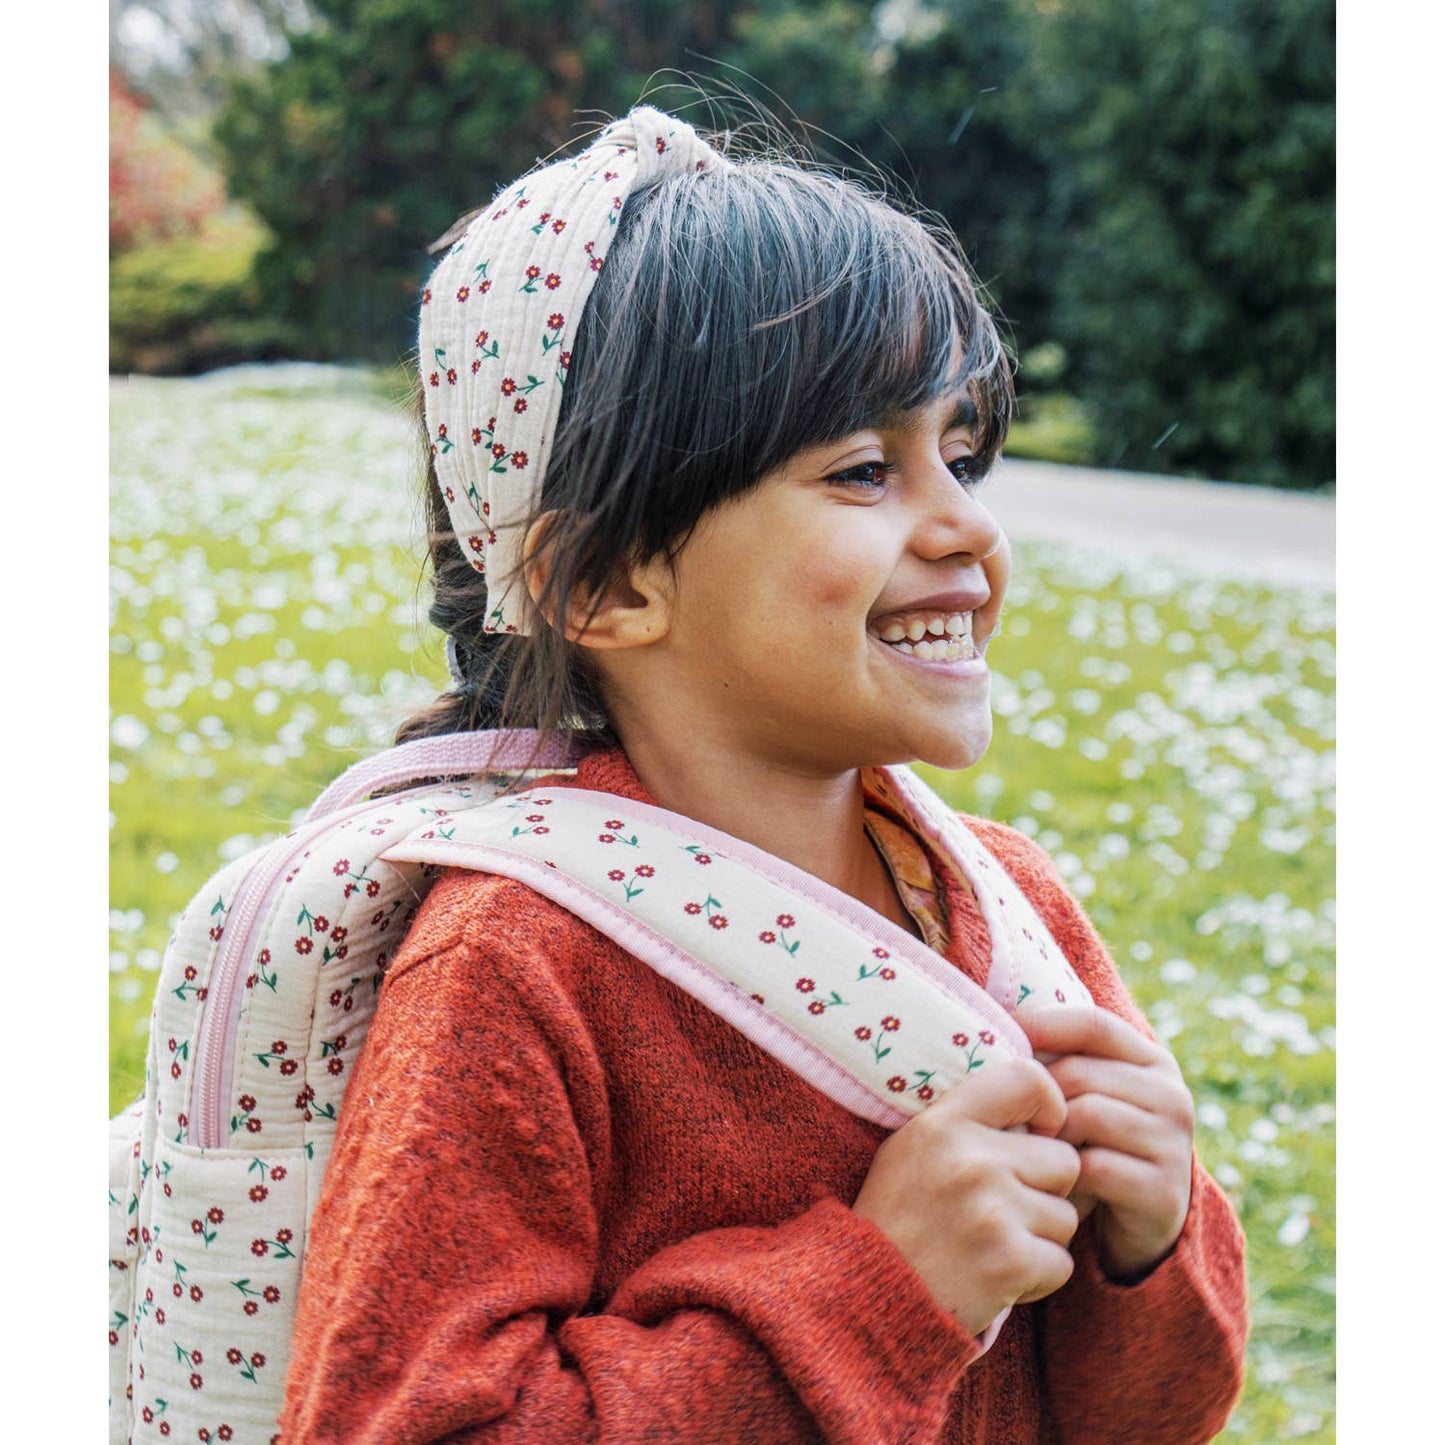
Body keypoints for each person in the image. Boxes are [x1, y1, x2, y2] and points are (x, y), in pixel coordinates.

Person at [281, 106, 1247, 1443]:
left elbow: (1150, 1412)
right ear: (607, 581)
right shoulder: (516, 965)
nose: (967, 523)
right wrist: (875, 1290)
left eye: (958, 454)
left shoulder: (1009, 913)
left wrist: (1150, 1238)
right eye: (863, 470)